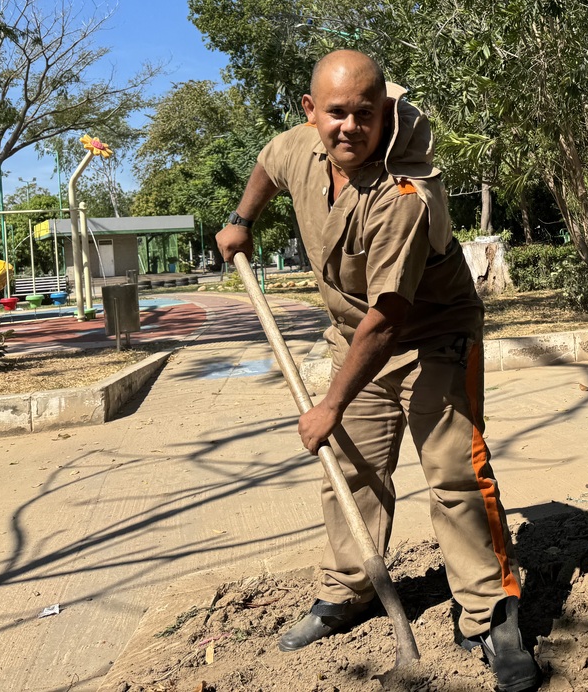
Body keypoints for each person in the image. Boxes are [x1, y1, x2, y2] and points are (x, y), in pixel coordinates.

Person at [216, 50, 540, 692]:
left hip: (431, 334)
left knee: (453, 472)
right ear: (312, 113)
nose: (350, 127)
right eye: (336, 113)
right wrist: (240, 220)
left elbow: (388, 319)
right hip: (355, 335)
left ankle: (488, 610)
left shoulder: (404, 192)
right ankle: (351, 589)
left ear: (383, 112)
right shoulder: (299, 149)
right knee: (356, 467)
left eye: (365, 113)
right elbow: (266, 165)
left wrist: (327, 403)